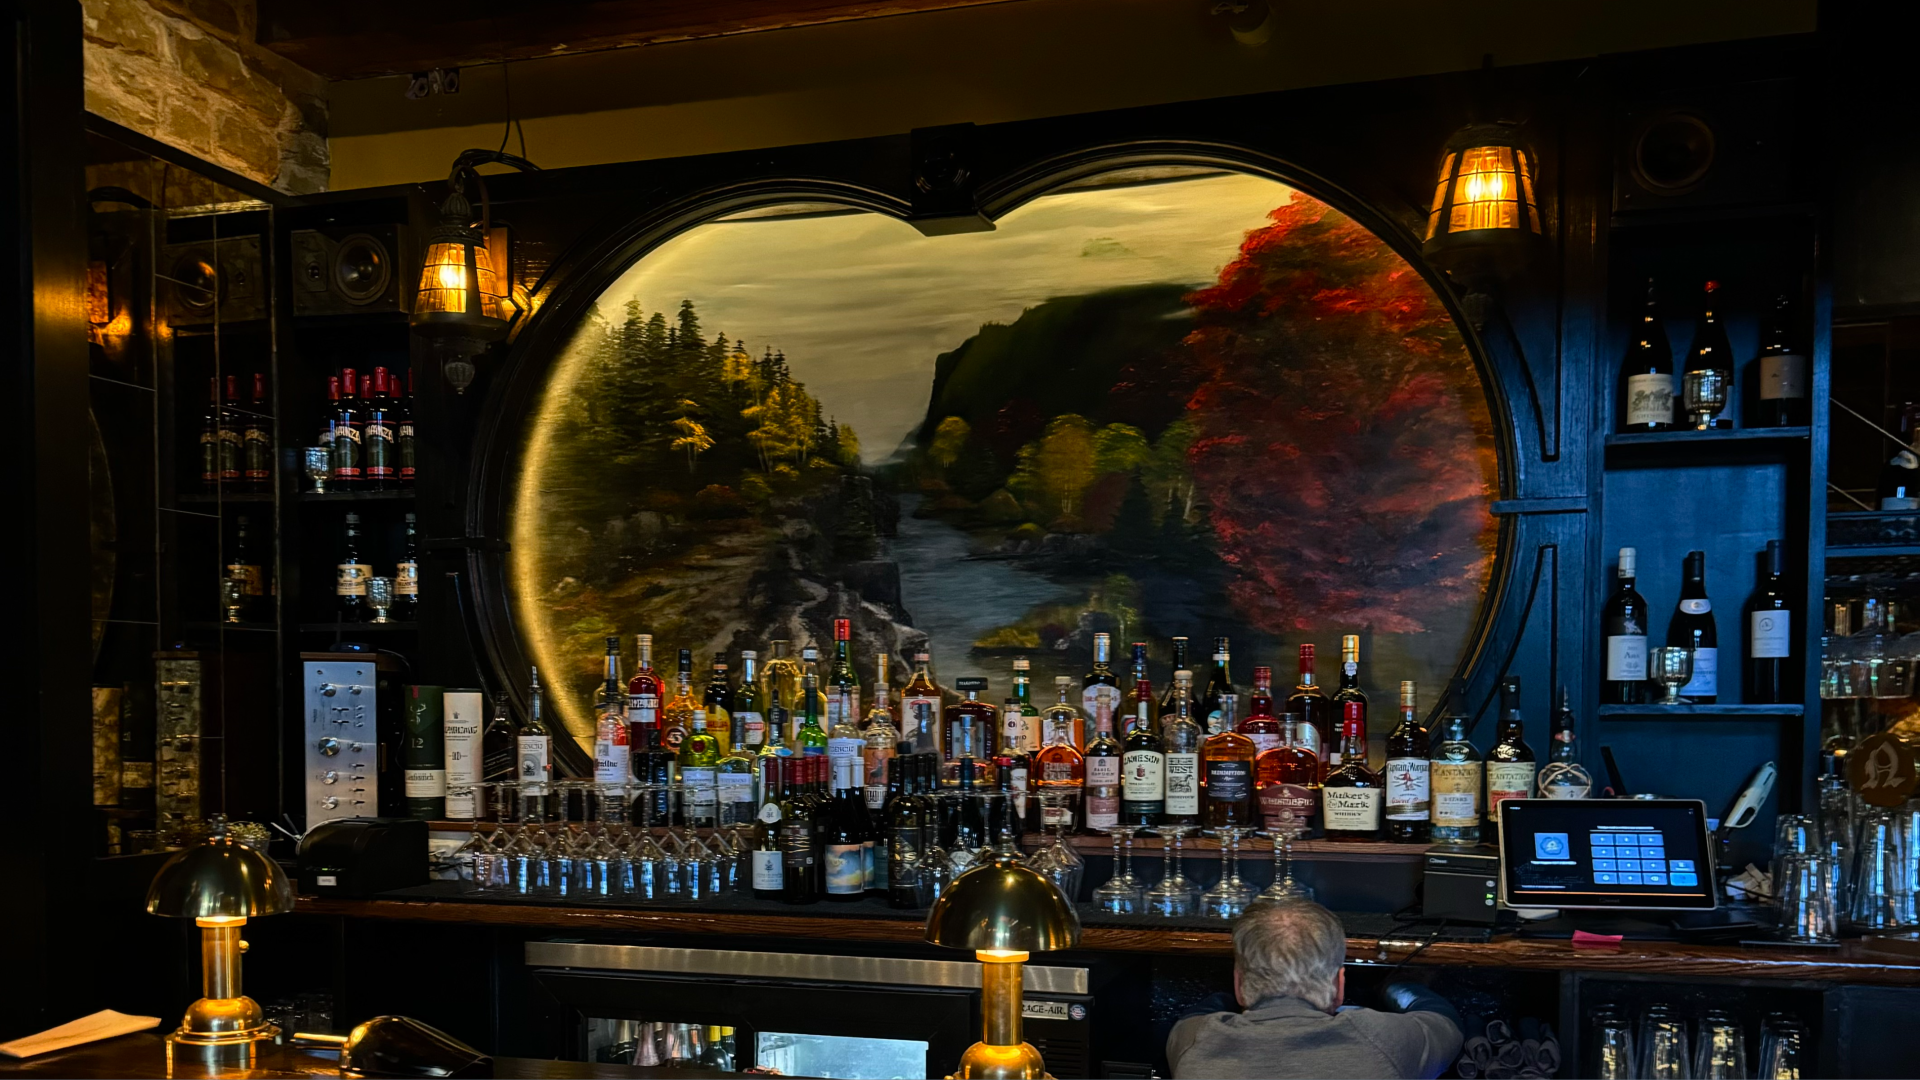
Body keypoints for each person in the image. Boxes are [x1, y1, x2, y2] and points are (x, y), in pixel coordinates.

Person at [1166, 899, 1463, 1079]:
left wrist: (1248, 990)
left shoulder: (1194, 1038)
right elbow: (1445, 1021)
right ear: (1339, 984)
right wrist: (1395, 986)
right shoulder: (1382, 1039)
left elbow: (1196, 1014)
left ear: (1239, 983)